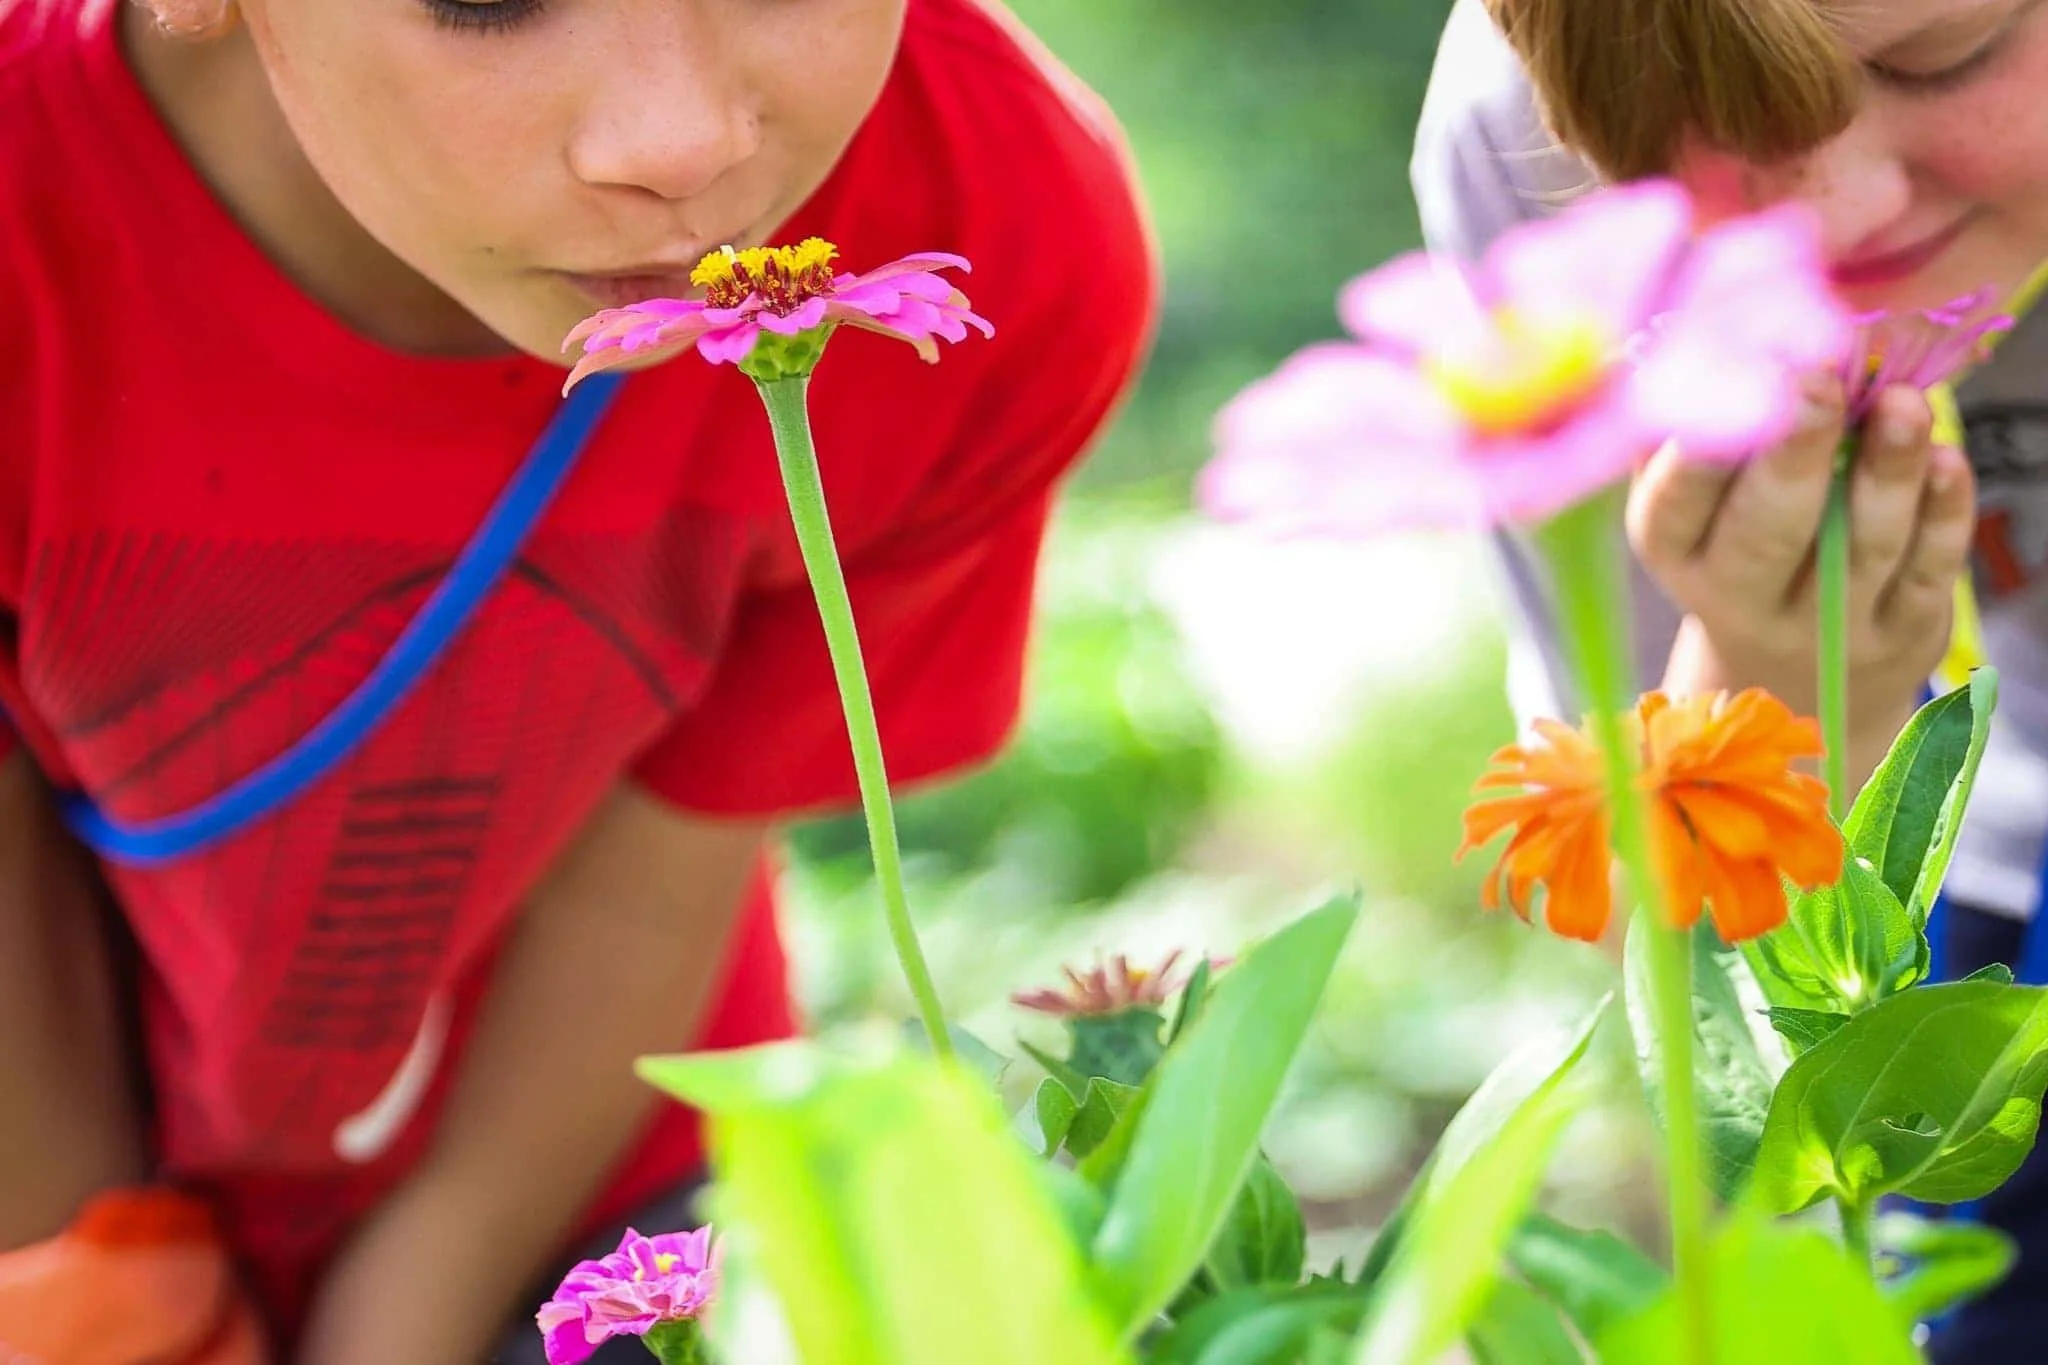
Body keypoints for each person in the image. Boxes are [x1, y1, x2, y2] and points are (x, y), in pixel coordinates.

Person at [0, 0, 1157, 1360]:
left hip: (589, 1177)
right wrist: (100, 1287)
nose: (680, 144)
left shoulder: (989, 220)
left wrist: (410, 1312)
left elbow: (667, 862)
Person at [1412, 0, 2048, 1357]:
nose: (1834, 206)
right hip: (1978, 880)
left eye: (1941, 62)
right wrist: (1781, 689)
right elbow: (1662, 956)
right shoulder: (1533, 139)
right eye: (1709, 106)